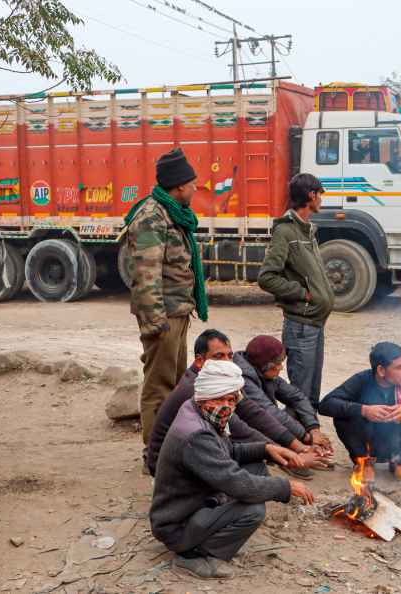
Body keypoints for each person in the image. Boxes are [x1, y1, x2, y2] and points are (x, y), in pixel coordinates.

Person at [150, 360, 314, 580]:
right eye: (219, 398)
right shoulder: (197, 434)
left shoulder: (197, 410)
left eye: (231, 399)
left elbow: (227, 452)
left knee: (255, 467)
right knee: (253, 510)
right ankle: (194, 555)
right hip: (176, 525)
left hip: (196, 503)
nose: (226, 405)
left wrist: (266, 449)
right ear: (204, 396)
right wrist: (286, 486)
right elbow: (237, 483)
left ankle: (216, 535)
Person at [145, 330, 329, 477]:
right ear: (200, 361)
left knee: (255, 454)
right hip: (169, 465)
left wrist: (300, 447)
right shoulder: (200, 387)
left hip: (192, 449)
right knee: (253, 468)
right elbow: (240, 426)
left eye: (229, 355)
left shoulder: (223, 378)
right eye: (218, 356)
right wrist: (287, 453)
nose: (226, 362)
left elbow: (255, 413)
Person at [124, 148, 208, 456]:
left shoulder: (173, 213)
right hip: (163, 317)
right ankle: (155, 454)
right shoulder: (151, 217)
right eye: (192, 183)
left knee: (176, 387)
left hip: (178, 312)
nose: (196, 188)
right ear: (179, 186)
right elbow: (147, 275)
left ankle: (171, 450)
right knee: (158, 388)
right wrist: (156, 323)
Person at [258, 173, 335, 410]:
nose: (321, 199)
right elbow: (267, 277)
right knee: (299, 396)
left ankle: (309, 439)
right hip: (301, 326)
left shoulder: (306, 231)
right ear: (311, 195)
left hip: (315, 323)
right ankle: (296, 443)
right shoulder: (286, 232)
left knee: (311, 395)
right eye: (320, 194)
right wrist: (304, 294)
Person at [318, 342, 401, 484]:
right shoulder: (362, 380)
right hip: (369, 440)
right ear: (381, 370)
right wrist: (364, 410)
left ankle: (398, 462)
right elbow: (326, 404)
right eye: (399, 367)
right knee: (344, 417)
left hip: (397, 441)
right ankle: (364, 463)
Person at [234, 335, 334, 478]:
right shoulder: (244, 378)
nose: (281, 367)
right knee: (269, 424)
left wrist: (314, 429)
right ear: (265, 365)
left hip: (268, 420)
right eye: (279, 363)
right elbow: (267, 413)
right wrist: (305, 437)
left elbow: (297, 397)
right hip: (251, 426)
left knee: (298, 410)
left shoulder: (264, 371)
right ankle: (289, 458)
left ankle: (302, 451)